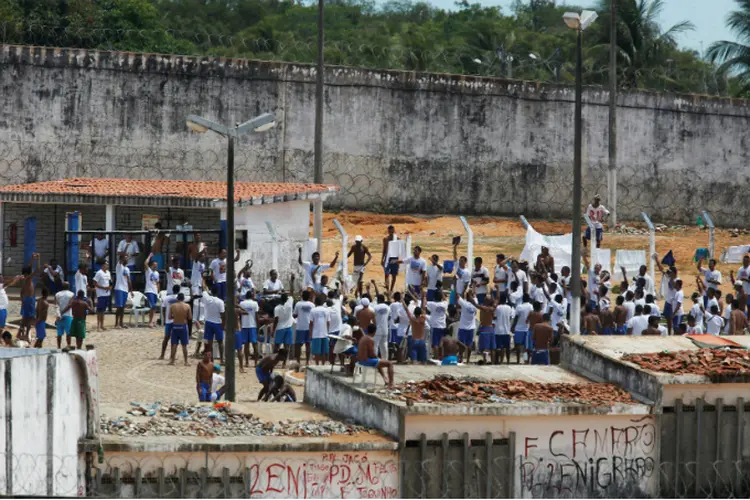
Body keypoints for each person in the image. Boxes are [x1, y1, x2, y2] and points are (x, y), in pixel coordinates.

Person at [201, 288, 225, 363]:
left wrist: (203, 279)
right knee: (220, 342)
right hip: (217, 323)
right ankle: (221, 359)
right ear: (218, 292)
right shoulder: (220, 302)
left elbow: (203, 288)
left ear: (211, 292)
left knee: (209, 342)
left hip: (208, 322)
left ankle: (210, 359)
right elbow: (222, 315)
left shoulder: (207, 298)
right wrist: (223, 325)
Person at [403, 291, 427, 364]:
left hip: (415, 340)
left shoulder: (413, 319)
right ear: (420, 313)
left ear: (414, 313)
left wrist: (402, 301)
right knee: (424, 361)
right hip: (422, 341)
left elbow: (406, 310)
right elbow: (423, 308)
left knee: (414, 361)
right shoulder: (423, 319)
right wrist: (423, 297)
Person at [168, 293, 192, 366]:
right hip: (183, 326)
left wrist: (175, 317)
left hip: (175, 326)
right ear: (183, 298)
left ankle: (172, 361)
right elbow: (190, 317)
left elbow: (169, 317)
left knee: (174, 344)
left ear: (177, 298)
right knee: (184, 345)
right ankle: (186, 361)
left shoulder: (172, 306)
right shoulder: (187, 306)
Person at [456, 290, 478, 364]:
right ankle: (468, 360)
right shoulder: (475, 303)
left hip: (463, 327)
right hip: (471, 328)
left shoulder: (464, 303)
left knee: (461, 344)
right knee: (470, 344)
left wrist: (455, 284)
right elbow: (475, 295)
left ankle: (461, 357)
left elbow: (457, 295)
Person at [272, 293, 294, 367]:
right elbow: (291, 294)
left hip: (280, 328)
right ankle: (284, 363)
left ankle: (274, 361)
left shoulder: (277, 308)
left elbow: (276, 320)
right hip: (289, 327)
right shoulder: (290, 305)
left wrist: (273, 330)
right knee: (286, 346)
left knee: (276, 346)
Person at [239, 290, 260, 366]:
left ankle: (247, 362)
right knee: (255, 344)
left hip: (244, 325)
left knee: (246, 345)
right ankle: (256, 363)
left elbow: (240, 316)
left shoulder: (242, 303)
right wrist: (258, 327)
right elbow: (257, 316)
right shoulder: (255, 303)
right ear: (251, 296)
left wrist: (240, 324)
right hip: (252, 325)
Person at [425, 290, 448, 360]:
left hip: (435, 326)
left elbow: (424, 303)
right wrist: (440, 290)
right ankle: (442, 357)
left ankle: (436, 358)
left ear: (434, 298)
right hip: (443, 326)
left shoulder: (432, 304)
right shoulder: (445, 304)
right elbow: (445, 299)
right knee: (442, 343)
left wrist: (423, 295)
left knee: (435, 344)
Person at [309, 296, 331, 365]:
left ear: (315, 302)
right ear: (322, 302)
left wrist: (310, 333)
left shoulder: (313, 310)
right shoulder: (326, 310)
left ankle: (317, 364)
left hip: (316, 334)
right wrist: (327, 331)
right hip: (325, 333)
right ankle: (323, 364)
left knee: (316, 352)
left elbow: (311, 323)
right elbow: (328, 322)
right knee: (323, 351)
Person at [511, 294, 532, 363]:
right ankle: (526, 360)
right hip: (527, 328)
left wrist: (513, 326)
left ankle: (518, 360)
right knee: (526, 347)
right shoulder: (531, 306)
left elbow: (516, 318)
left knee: (517, 345)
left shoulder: (519, 306)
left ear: (523, 299)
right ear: (529, 299)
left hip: (518, 328)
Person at [113, 255, 133, 329]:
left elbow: (128, 280)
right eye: (125, 257)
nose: (127, 259)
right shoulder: (119, 266)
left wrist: (131, 290)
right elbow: (121, 260)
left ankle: (121, 323)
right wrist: (123, 256)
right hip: (119, 288)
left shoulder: (127, 269)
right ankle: (116, 323)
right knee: (119, 306)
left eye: (127, 257)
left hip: (125, 289)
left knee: (123, 307)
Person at [93, 261, 112, 332]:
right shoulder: (99, 273)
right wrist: (103, 288)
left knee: (103, 310)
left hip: (107, 294)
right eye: (106, 264)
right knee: (99, 310)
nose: (107, 266)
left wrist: (110, 287)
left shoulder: (108, 272)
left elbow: (110, 281)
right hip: (101, 294)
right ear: (102, 265)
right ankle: (98, 326)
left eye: (107, 264)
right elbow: (94, 282)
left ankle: (102, 325)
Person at [142, 254, 161, 328]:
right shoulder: (148, 271)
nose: (156, 266)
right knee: (152, 306)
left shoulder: (157, 273)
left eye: (157, 265)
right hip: (149, 291)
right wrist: (149, 256)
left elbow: (157, 283)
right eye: (154, 265)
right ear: (151, 265)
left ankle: (152, 321)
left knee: (154, 307)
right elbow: (145, 263)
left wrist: (159, 291)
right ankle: (150, 322)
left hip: (155, 291)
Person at [54, 282, 75, 349]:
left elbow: (56, 305)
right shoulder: (71, 294)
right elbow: (70, 305)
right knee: (68, 333)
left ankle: (59, 346)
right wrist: (62, 313)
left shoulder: (57, 294)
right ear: (68, 286)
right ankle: (68, 345)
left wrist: (59, 314)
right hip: (68, 315)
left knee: (59, 333)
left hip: (59, 316)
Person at [372, 290, 391, 359]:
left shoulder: (375, 307)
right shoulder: (388, 307)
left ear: (378, 300)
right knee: (384, 345)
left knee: (375, 345)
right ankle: (385, 360)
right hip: (385, 328)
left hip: (378, 328)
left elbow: (373, 317)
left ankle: (375, 360)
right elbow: (389, 317)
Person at [381, 225, 399, 294]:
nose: (391, 232)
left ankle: (391, 289)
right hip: (387, 258)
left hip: (395, 258)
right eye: (390, 231)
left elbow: (398, 250)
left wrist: (398, 260)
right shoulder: (385, 239)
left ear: (394, 231)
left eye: (392, 231)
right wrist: (382, 259)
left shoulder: (397, 239)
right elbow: (384, 250)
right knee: (386, 274)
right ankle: (387, 289)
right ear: (388, 231)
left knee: (394, 275)